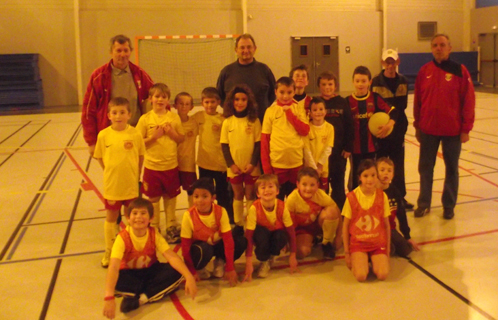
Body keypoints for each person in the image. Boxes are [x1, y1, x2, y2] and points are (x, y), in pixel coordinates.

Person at [413, 34, 475, 220]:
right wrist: (417, 125)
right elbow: (418, 101)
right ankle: (424, 203)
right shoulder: (424, 71)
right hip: (428, 130)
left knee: (451, 169)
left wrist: (466, 129)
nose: (438, 48)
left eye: (442, 45)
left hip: (452, 132)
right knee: (425, 168)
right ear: (431, 48)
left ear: (449, 47)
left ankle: (448, 205)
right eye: (435, 45)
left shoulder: (460, 71)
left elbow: (469, 101)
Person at [103, 198, 197, 319]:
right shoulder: (122, 238)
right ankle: (150, 291)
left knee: (177, 272)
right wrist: (109, 297)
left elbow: (171, 256)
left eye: (143, 213)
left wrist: (189, 276)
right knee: (117, 280)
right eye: (135, 213)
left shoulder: (154, 234)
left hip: (150, 271)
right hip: (129, 274)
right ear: (128, 217)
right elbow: (114, 266)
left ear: (151, 218)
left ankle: (141, 299)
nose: (138, 217)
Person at [94, 97, 145, 268]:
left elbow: (140, 156)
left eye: (122, 112)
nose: (118, 116)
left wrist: (135, 173)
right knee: (111, 217)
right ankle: (110, 250)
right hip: (112, 185)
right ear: (109, 115)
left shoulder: (135, 133)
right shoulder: (103, 135)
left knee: (131, 216)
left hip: (130, 184)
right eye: (114, 113)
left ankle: (130, 249)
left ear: (129, 114)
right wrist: (110, 171)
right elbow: (100, 158)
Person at [82, 34, 154, 156]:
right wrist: (91, 142)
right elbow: (88, 110)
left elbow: (156, 96)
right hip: (110, 136)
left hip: (134, 134)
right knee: (114, 172)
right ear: (111, 52)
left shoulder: (139, 73)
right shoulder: (98, 76)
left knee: (134, 172)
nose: (122, 54)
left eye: (126, 50)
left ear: (130, 51)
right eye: (118, 50)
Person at [136, 83, 185, 243]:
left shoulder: (173, 117)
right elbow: (138, 143)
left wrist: (171, 132)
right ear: (150, 99)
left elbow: (181, 138)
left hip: (170, 165)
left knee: (170, 197)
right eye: (157, 96)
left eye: (164, 97)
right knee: (153, 199)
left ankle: (171, 226)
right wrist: (153, 137)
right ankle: (155, 226)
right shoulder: (145, 119)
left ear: (168, 100)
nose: (160, 99)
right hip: (152, 167)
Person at [180, 178, 247, 286]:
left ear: (213, 198)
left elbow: (228, 240)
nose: (200, 200)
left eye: (205, 196)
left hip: (216, 243)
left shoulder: (221, 211)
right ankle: (200, 268)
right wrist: (191, 271)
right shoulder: (188, 216)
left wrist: (230, 267)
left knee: (241, 241)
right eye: (196, 196)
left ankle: (220, 261)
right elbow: (185, 247)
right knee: (204, 249)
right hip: (201, 247)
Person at [371, 49, 413, 210]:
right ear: (383, 63)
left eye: (393, 62)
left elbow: (401, 106)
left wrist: (392, 123)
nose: (390, 65)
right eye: (387, 62)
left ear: (398, 62)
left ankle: (399, 198)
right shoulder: (375, 82)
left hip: (397, 129)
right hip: (381, 131)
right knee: (380, 165)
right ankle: (380, 197)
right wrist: (383, 125)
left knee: (397, 165)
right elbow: (376, 106)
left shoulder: (403, 81)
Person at [347, 66, 398, 189]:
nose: (360, 84)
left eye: (364, 81)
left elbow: (393, 112)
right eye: (357, 81)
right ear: (353, 82)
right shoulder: (348, 101)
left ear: (369, 82)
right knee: (356, 177)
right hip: (355, 149)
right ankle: (355, 203)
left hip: (371, 147)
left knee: (371, 176)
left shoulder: (375, 98)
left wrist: (388, 125)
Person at [261, 77, 310, 200]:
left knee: (296, 199)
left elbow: (305, 131)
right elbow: (265, 140)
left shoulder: (298, 108)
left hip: (296, 162)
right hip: (277, 163)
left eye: (289, 92)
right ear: (276, 92)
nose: (285, 96)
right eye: (282, 92)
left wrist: (290, 115)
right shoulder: (270, 111)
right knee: (277, 199)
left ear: (294, 92)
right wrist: (266, 167)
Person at [342, 159, 390, 282]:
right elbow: (345, 226)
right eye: (366, 176)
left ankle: (373, 259)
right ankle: (362, 259)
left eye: (373, 175)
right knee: (361, 276)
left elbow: (386, 225)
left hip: (377, 242)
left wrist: (387, 249)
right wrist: (347, 253)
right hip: (359, 243)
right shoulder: (352, 197)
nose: (370, 179)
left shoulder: (382, 196)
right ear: (360, 178)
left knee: (383, 274)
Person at [220, 85, 262, 228]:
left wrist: (252, 164)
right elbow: (224, 146)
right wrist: (231, 165)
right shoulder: (227, 122)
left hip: (252, 167)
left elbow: (258, 145)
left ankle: (250, 222)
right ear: (231, 101)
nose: (240, 102)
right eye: (237, 99)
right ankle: (238, 223)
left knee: (250, 195)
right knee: (238, 195)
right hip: (234, 167)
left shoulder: (254, 121)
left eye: (243, 99)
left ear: (248, 101)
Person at [243, 174, 299, 280]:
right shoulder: (254, 208)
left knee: (282, 235)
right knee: (260, 234)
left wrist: (293, 255)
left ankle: (271, 256)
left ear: (277, 191)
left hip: (275, 234)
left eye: (270, 186)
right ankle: (264, 260)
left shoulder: (282, 206)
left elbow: (291, 232)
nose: (267, 190)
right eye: (263, 187)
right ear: (258, 193)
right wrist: (248, 262)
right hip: (261, 235)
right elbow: (249, 236)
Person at [193, 87, 233, 221]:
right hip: (204, 164)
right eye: (206, 102)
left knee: (223, 194)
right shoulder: (198, 116)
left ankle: (226, 218)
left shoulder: (223, 119)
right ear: (202, 103)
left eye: (212, 102)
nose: (209, 105)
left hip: (221, 165)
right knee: (206, 193)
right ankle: (207, 217)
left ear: (218, 102)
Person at [217, 33, 276, 122]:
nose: (246, 50)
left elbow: (273, 93)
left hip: (261, 123)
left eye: (249, 47)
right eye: (242, 47)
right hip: (234, 125)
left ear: (254, 49)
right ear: (236, 50)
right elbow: (219, 96)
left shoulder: (264, 70)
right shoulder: (226, 71)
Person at [286, 167, 342, 259]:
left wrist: (339, 236)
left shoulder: (320, 195)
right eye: (304, 184)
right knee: (300, 253)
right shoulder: (292, 199)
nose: (308, 189)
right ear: (297, 184)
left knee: (331, 211)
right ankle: (313, 240)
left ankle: (326, 243)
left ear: (317, 185)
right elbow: (287, 223)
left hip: (318, 224)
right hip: (303, 229)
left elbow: (337, 212)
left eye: (312, 185)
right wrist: (289, 241)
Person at [318, 71, 354, 210]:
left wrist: (348, 147)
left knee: (338, 183)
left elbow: (349, 125)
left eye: (330, 84)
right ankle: (324, 213)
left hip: (339, 152)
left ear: (335, 85)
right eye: (324, 84)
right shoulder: (317, 103)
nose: (327, 87)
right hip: (321, 153)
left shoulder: (342, 102)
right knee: (322, 184)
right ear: (319, 86)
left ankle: (341, 213)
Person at [377, 157, 420, 257]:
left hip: (390, 229)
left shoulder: (395, 192)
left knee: (406, 250)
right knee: (389, 250)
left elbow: (401, 215)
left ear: (393, 174)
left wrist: (407, 236)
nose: (386, 173)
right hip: (376, 231)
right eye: (382, 170)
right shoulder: (374, 192)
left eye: (389, 170)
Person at [303, 97, 335, 192]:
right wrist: (314, 168)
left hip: (323, 169)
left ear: (325, 111)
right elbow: (306, 150)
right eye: (315, 110)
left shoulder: (329, 128)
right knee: (309, 192)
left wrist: (320, 166)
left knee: (322, 193)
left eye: (321, 109)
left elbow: (328, 148)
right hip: (309, 168)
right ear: (310, 112)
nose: (318, 112)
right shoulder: (307, 128)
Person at [173, 92, 198, 208]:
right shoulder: (171, 122)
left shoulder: (194, 122)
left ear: (191, 107)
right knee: (171, 193)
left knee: (191, 191)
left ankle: (193, 213)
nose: (184, 106)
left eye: (187, 104)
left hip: (188, 164)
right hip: (171, 164)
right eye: (181, 103)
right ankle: (171, 221)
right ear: (175, 105)